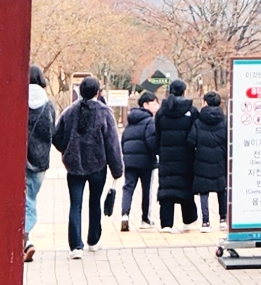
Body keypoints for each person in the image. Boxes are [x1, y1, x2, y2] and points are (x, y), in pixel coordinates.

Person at [53, 75, 121, 257]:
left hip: (74, 166)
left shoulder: (69, 111)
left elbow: (56, 136)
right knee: (95, 202)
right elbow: (112, 143)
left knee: (75, 204)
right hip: (98, 165)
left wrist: (67, 150)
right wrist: (117, 169)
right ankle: (93, 240)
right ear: (98, 92)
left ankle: (76, 246)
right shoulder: (105, 112)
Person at [153, 79, 197, 227]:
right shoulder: (191, 110)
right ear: (184, 91)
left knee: (167, 188)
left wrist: (159, 151)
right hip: (186, 155)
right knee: (185, 186)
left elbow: (157, 134)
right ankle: (189, 220)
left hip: (166, 156)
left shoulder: (161, 112)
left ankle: (166, 223)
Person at [23, 66, 53, 264]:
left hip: (21, 159)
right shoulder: (48, 104)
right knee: (31, 199)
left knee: (23, 200)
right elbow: (52, 130)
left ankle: (25, 239)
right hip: (40, 160)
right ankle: (25, 238)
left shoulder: (19, 100)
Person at [191, 85, 231, 229]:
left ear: (205, 103)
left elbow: (191, 140)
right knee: (221, 189)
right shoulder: (224, 122)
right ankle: (223, 219)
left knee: (204, 192)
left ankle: (205, 222)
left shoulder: (198, 121)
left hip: (202, 160)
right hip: (220, 160)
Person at [119, 92, 157, 231]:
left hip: (129, 160)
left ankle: (125, 215)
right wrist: (156, 153)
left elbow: (123, 140)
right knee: (146, 189)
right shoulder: (149, 121)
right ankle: (145, 219)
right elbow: (151, 140)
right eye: (154, 103)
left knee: (128, 187)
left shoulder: (130, 121)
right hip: (145, 160)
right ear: (145, 104)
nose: (157, 106)